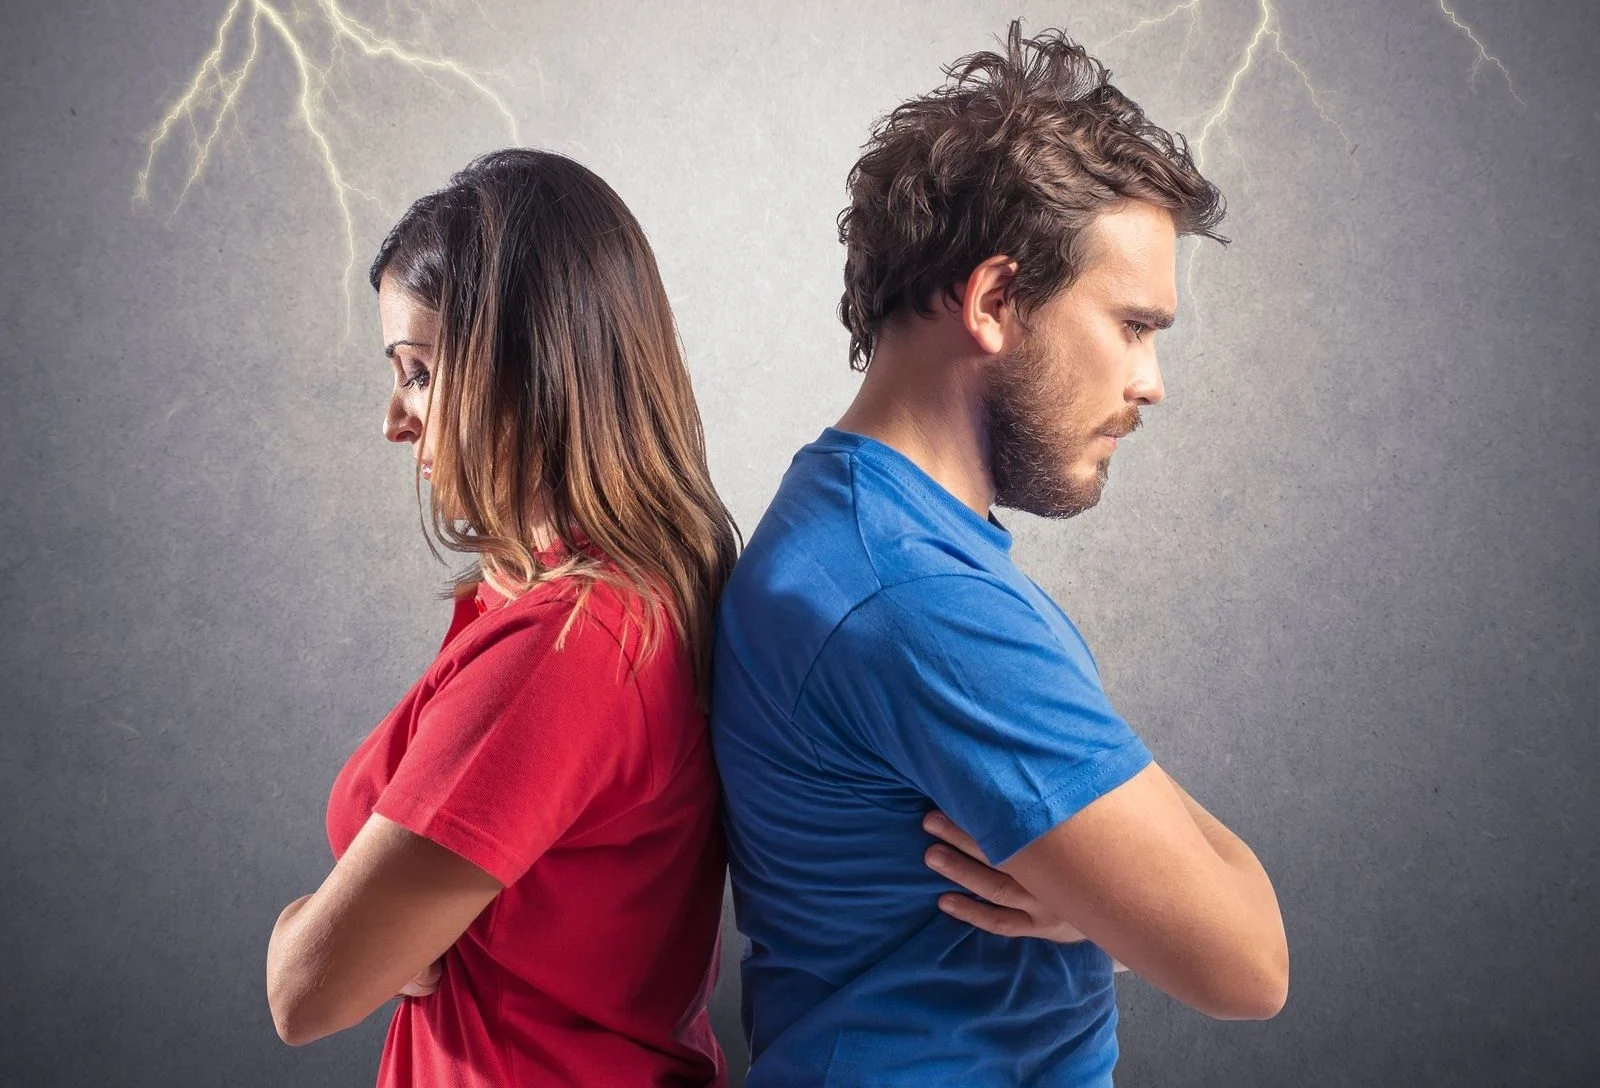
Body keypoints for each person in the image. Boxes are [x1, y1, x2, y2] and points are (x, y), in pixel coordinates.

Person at [710, 21, 1288, 1086]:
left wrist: (1098, 895)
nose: (1151, 382)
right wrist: (1116, 896)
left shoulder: (852, 526)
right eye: (1132, 325)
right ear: (992, 302)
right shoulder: (916, 599)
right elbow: (1248, 960)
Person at [265, 149, 739, 1087]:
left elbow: (305, 994)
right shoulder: (572, 598)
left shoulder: (570, 647)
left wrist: (302, 926)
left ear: (529, 369)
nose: (395, 419)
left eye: (418, 372)